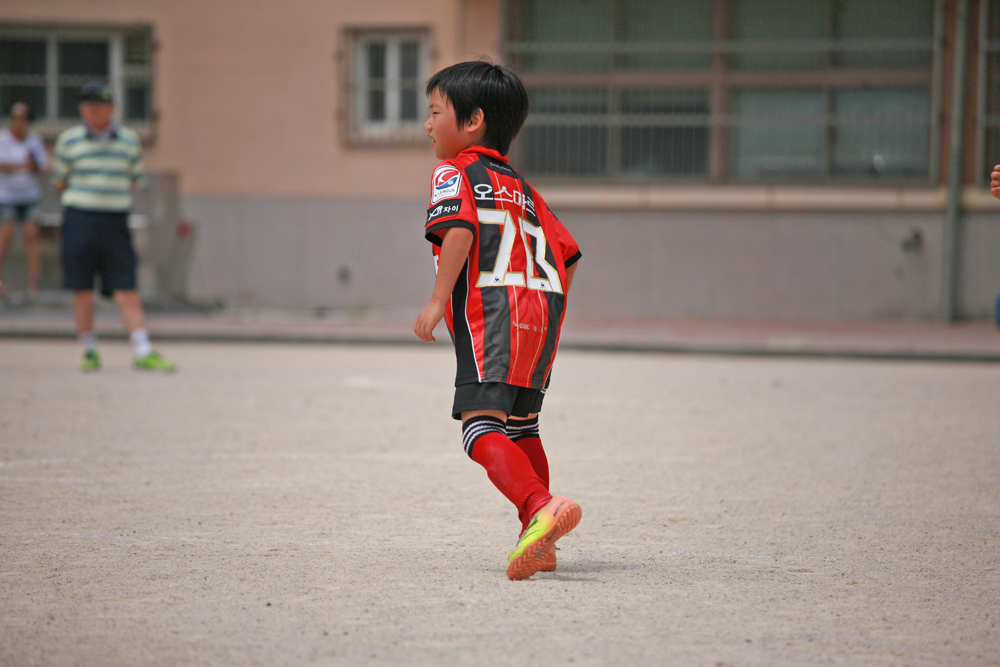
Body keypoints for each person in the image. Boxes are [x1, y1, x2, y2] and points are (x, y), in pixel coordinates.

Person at [413, 61, 583, 580]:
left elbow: (460, 229)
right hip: (541, 314)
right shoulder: (524, 188)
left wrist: (437, 300)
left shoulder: (455, 171)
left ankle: (538, 506)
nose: (427, 124)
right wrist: (543, 304)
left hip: (492, 314)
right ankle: (539, 538)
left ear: (473, 121)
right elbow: (569, 253)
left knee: (479, 427)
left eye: (435, 112)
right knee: (524, 426)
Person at [52, 83, 175, 372]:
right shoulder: (69, 140)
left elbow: (136, 179)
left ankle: (143, 349)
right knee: (82, 287)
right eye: (88, 105)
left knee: (126, 286)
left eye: (100, 105)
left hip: (115, 219)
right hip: (80, 218)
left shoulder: (128, 141)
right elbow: (60, 181)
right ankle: (89, 349)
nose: (94, 110)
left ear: (112, 108)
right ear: (82, 108)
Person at [0, 101, 48, 297]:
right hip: (7, 195)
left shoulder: (34, 140)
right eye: (15, 117)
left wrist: (28, 165)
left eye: (22, 118)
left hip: (29, 195)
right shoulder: (3, 139)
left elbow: (42, 164)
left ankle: (33, 285)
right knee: (5, 235)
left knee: (31, 235)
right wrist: (23, 166)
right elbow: (4, 165)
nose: (18, 121)